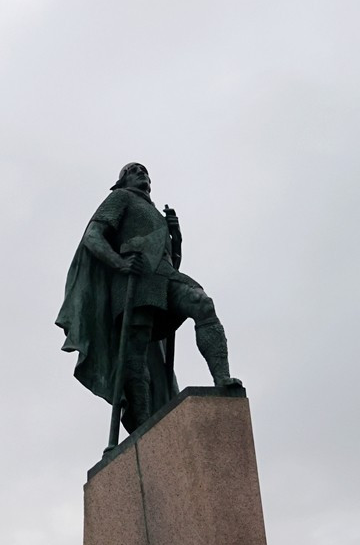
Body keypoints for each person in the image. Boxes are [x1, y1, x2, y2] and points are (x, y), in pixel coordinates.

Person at [56, 162, 240, 434]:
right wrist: (119, 263)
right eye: (133, 170)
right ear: (122, 181)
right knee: (136, 349)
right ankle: (143, 424)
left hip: (163, 275)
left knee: (202, 303)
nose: (141, 172)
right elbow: (92, 237)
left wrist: (176, 238)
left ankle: (222, 379)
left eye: (144, 170)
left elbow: (171, 260)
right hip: (134, 279)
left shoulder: (155, 212)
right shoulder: (121, 197)